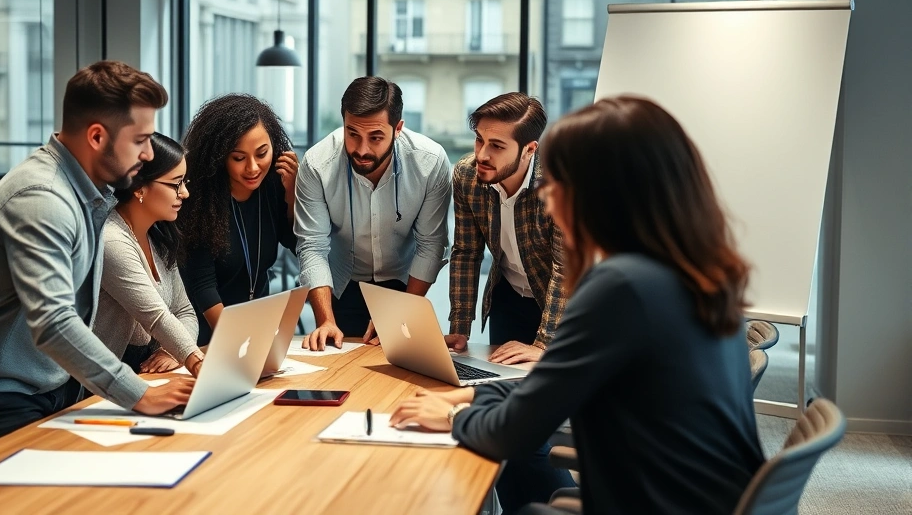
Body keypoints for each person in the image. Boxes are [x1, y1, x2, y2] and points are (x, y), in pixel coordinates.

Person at [389, 96, 765, 514]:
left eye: (559, 185)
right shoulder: (693, 276)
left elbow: (518, 430)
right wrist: (468, 399)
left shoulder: (622, 290)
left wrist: (454, 417)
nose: (547, 200)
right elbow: (548, 388)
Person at [0, 61, 195, 443]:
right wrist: (138, 392)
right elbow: (53, 322)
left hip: (38, 387)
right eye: (140, 140)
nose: (148, 154)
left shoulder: (87, 196)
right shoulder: (43, 197)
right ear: (97, 137)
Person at [295, 76, 450, 350]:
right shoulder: (318, 164)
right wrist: (325, 322)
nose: (362, 149)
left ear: (398, 128)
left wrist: (403, 310)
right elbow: (313, 247)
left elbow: (431, 245)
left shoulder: (430, 162)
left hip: (405, 282)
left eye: (376, 137)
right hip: (343, 283)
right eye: (352, 133)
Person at [448, 92, 567, 366]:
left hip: (559, 305)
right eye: (480, 139)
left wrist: (545, 344)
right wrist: (460, 326)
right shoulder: (467, 176)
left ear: (529, 149)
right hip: (508, 297)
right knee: (499, 383)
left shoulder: (560, 184)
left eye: (497, 146)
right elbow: (466, 251)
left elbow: (566, 270)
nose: (482, 154)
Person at [178, 94, 299, 346]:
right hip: (207, 335)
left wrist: (291, 194)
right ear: (219, 156)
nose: (253, 168)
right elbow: (202, 286)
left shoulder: (274, 183)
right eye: (239, 158)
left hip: (256, 329)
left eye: (262, 153)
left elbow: (294, 242)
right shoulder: (199, 198)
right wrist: (236, 342)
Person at [94, 132, 205, 376]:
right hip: (105, 384)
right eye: (176, 183)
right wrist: (197, 362)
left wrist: (170, 351)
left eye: (185, 182)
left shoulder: (158, 236)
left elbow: (184, 312)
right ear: (139, 187)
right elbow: (155, 317)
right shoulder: (112, 240)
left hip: (145, 376)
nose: (184, 192)